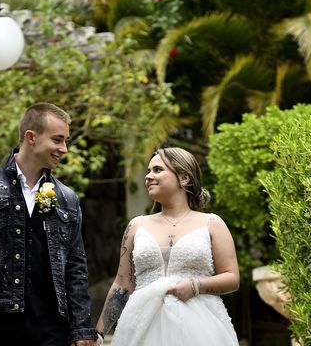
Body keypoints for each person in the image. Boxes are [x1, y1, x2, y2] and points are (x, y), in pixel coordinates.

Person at [0, 103, 100, 346]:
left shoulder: (67, 199)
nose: (64, 149)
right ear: (31, 137)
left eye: (66, 141)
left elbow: (76, 266)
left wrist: (82, 327)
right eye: (57, 140)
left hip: (54, 328)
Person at [95, 147, 240, 346]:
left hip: (200, 326)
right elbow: (122, 285)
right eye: (148, 171)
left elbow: (232, 278)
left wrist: (196, 286)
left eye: (157, 170)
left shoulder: (212, 223)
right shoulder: (137, 226)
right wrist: (99, 334)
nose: (148, 176)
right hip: (141, 326)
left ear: (184, 178)